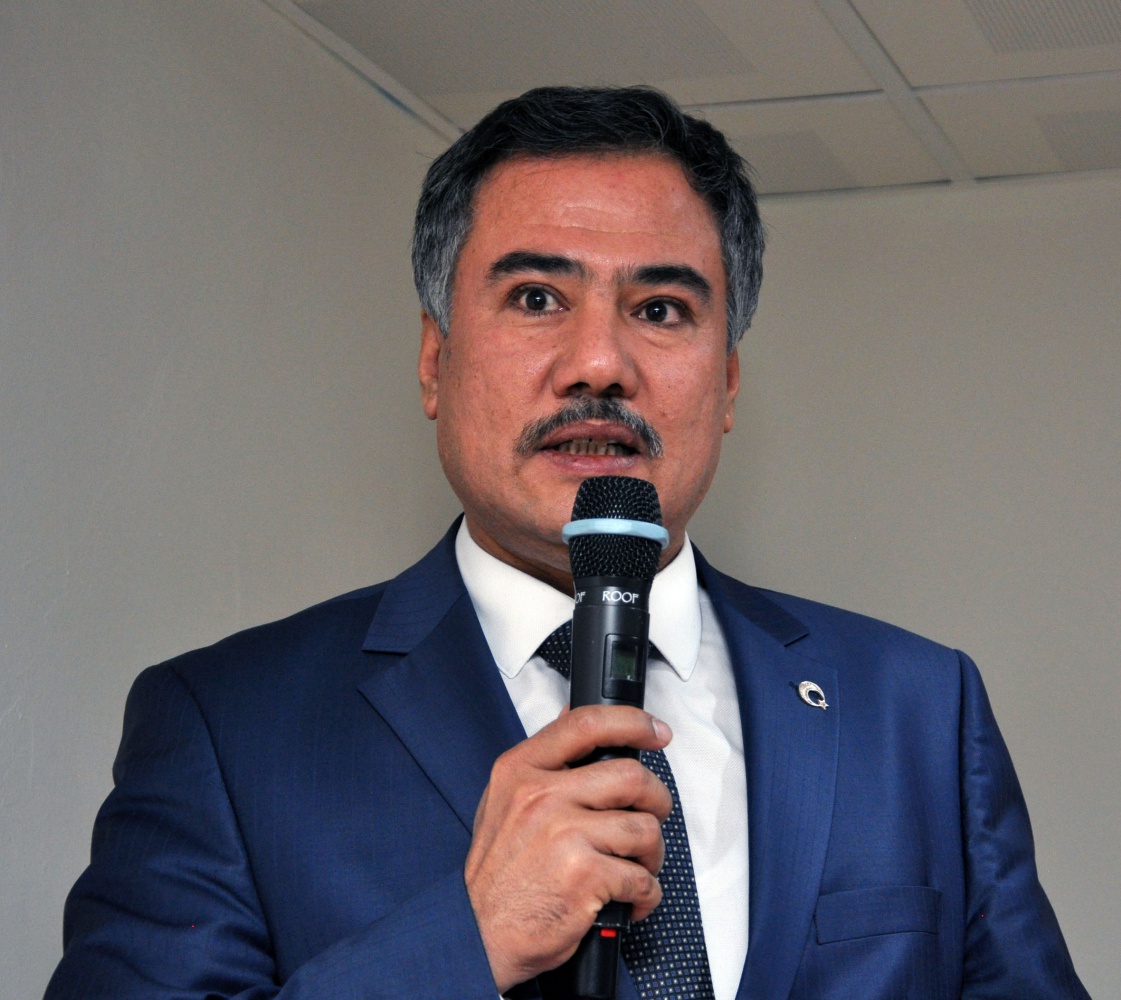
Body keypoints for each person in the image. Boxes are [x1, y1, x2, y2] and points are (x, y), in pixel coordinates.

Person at [46, 86, 1088, 1000]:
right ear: (434, 360)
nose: (598, 362)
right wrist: (464, 940)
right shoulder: (229, 729)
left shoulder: (916, 710)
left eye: (660, 308)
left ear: (726, 384)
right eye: (536, 298)